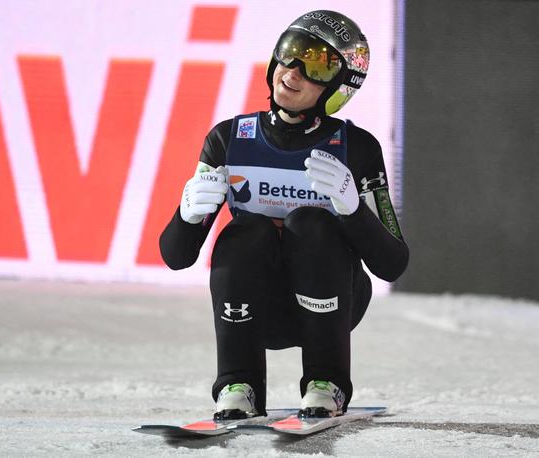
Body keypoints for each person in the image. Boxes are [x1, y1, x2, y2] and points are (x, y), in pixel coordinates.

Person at [159, 10, 409, 419]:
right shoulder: (228, 140)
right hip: (257, 308)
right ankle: (238, 384)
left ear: (338, 88)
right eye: (290, 54)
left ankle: (325, 382)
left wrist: (352, 212)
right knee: (245, 233)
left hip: (333, 304)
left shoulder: (357, 148)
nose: (292, 73)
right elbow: (176, 257)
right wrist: (186, 217)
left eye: (315, 67)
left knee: (310, 224)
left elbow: (393, 263)